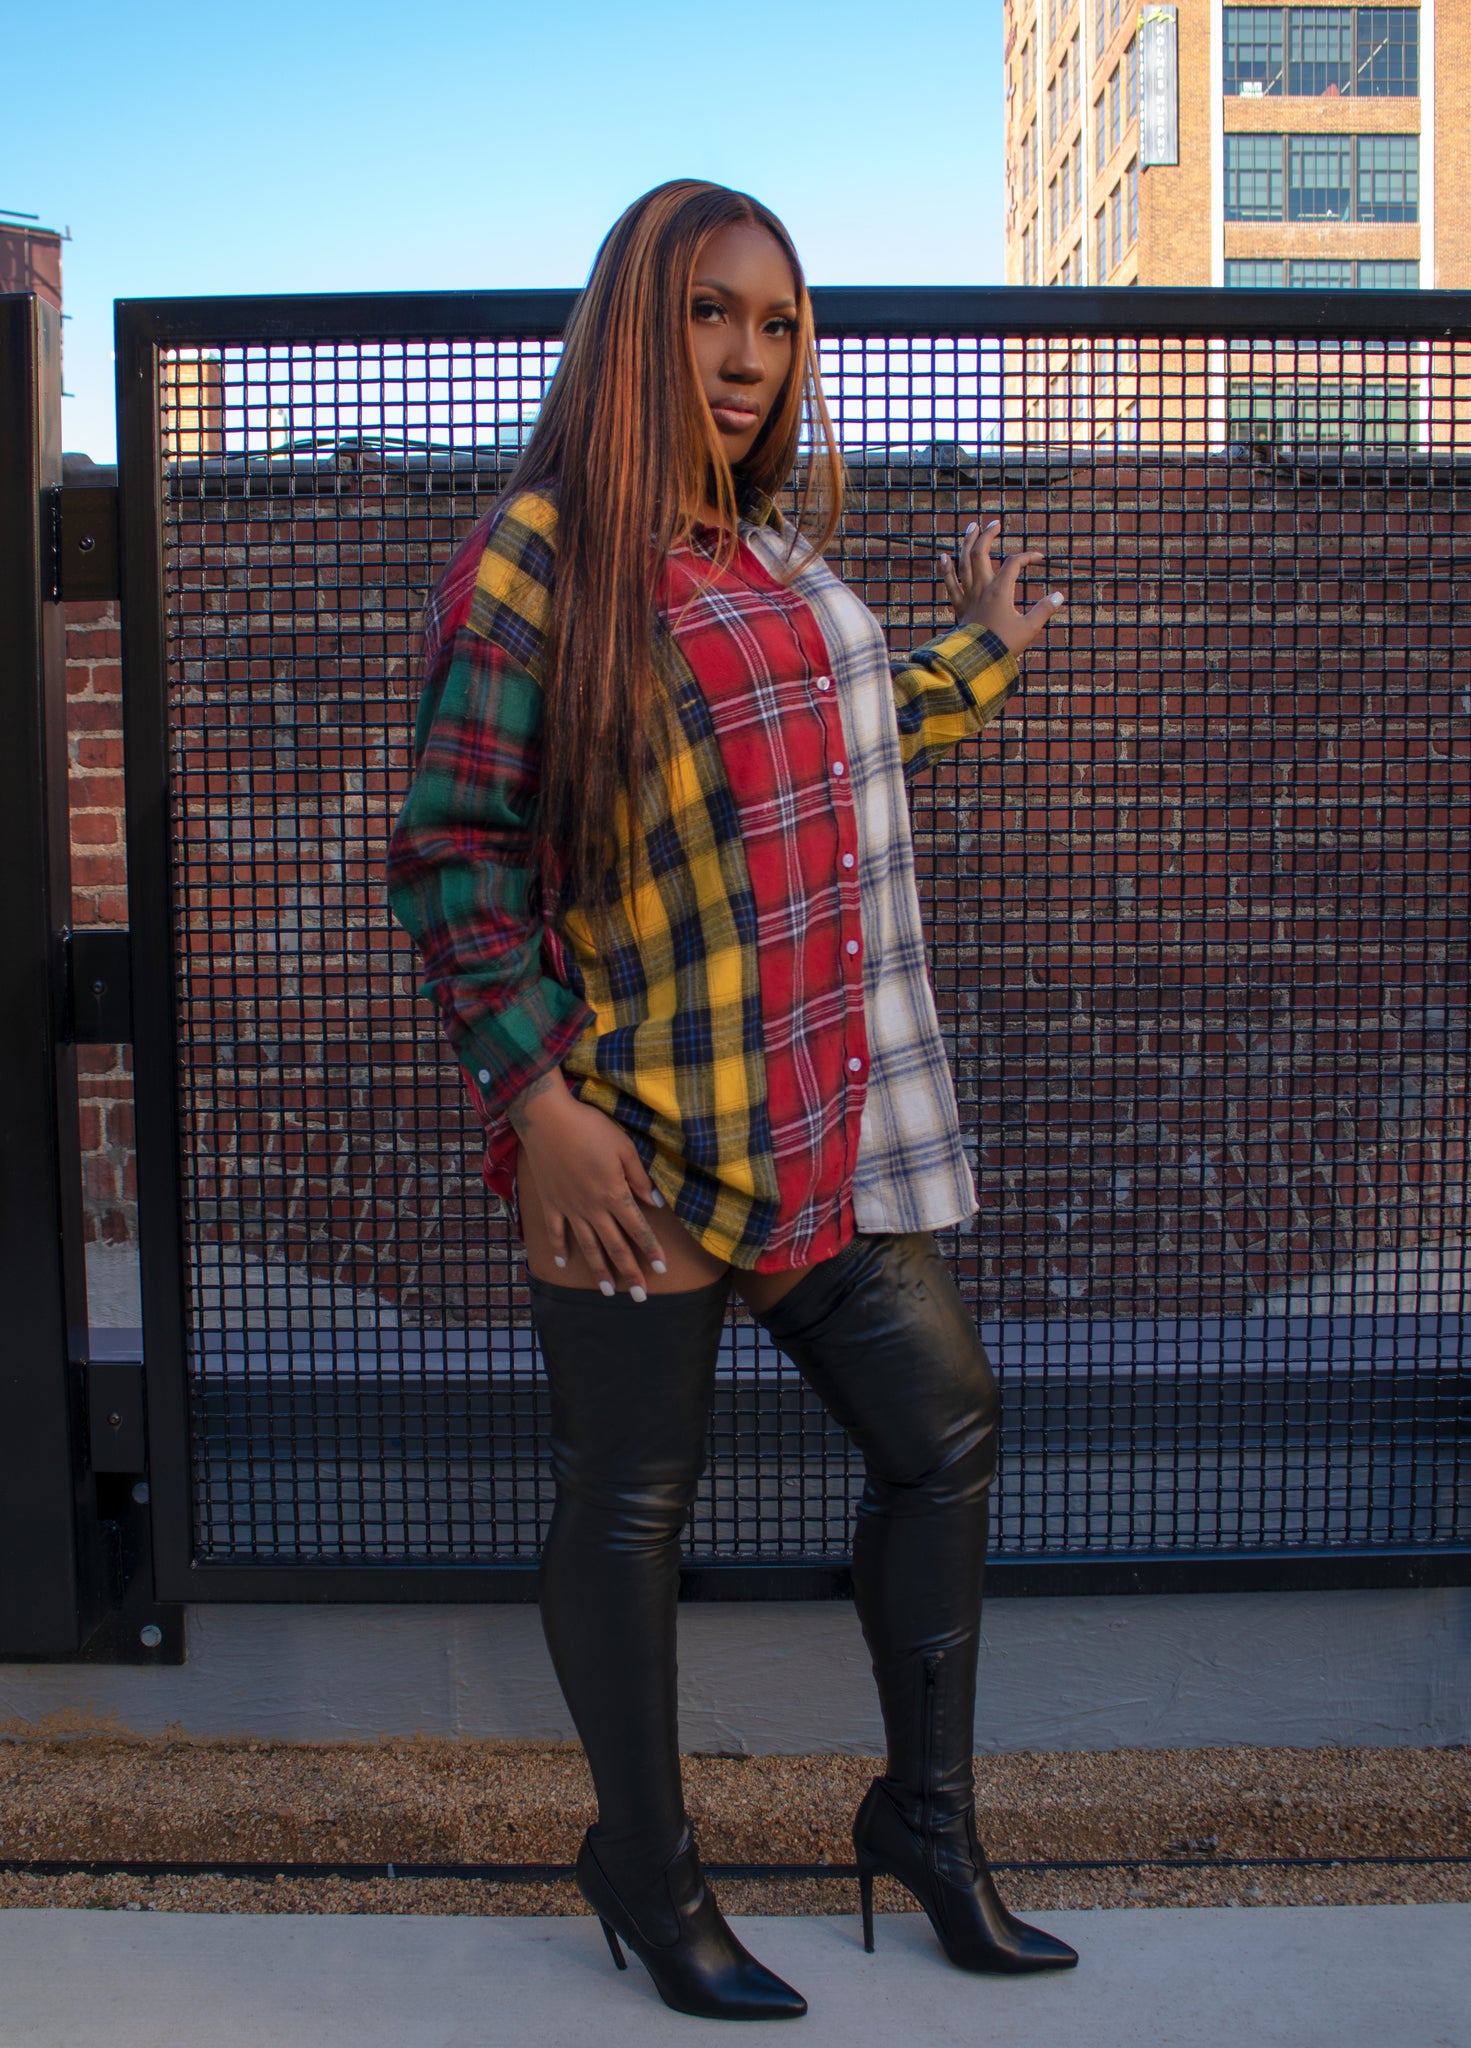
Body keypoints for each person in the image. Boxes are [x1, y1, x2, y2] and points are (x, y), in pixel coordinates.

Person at [387, 178, 1075, 2022]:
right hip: (631, 1138)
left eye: (777, 324)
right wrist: (540, 1102)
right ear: (637, 322)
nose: (750, 356)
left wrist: (981, 657)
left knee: (946, 1425)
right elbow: (450, 854)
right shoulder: (538, 558)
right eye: (711, 313)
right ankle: (649, 1868)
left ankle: (924, 1822)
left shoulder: (771, 560)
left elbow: (840, 745)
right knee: (633, 1502)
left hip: (813, 1124)